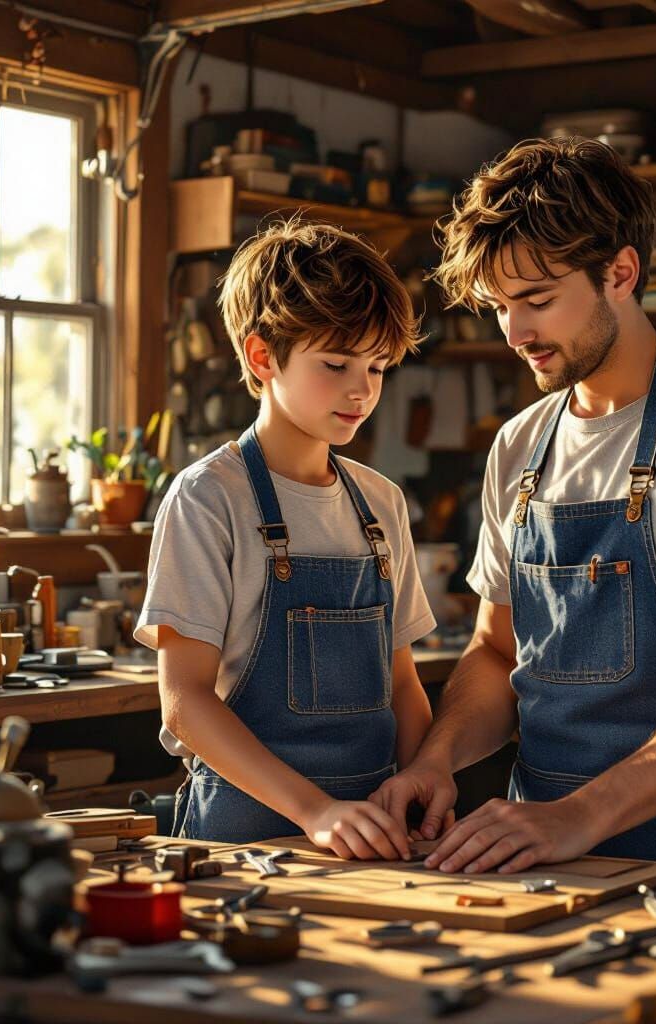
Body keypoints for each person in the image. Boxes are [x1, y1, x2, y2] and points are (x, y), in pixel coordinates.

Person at [370, 138, 656, 874]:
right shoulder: (520, 446)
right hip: (539, 858)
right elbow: (495, 652)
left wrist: (582, 815)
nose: (515, 333)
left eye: (538, 300)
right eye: (500, 307)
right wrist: (437, 758)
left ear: (620, 273)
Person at [135, 219, 436, 858]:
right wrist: (315, 811)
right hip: (245, 842)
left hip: (375, 837)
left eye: (378, 367)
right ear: (262, 357)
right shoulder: (208, 497)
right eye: (336, 364)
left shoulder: (381, 503)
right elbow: (184, 702)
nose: (362, 390)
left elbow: (404, 686)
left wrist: (421, 787)